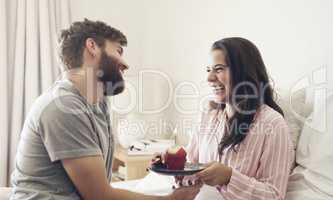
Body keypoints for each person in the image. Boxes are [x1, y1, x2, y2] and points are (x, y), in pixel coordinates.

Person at [10, 19, 201, 200]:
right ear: (92, 46)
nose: (126, 64)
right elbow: (99, 196)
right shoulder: (64, 107)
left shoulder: (98, 103)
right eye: (118, 51)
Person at [182, 37, 295, 200]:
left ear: (244, 72)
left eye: (219, 69)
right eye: (208, 70)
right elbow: (190, 170)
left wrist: (229, 177)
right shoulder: (207, 117)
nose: (209, 78)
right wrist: (171, 166)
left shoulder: (273, 124)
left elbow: (274, 195)